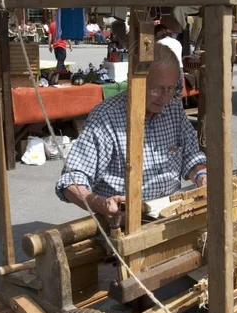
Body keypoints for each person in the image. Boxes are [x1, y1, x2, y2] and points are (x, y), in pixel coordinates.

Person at [55, 43, 207, 217]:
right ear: (133, 79)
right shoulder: (106, 117)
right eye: (156, 88)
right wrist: (99, 203)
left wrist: (201, 175)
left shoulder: (172, 108)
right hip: (122, 219)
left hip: (170, 213)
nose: (165, 97)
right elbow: (71, 179)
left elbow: (191, 156)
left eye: (170, 88)